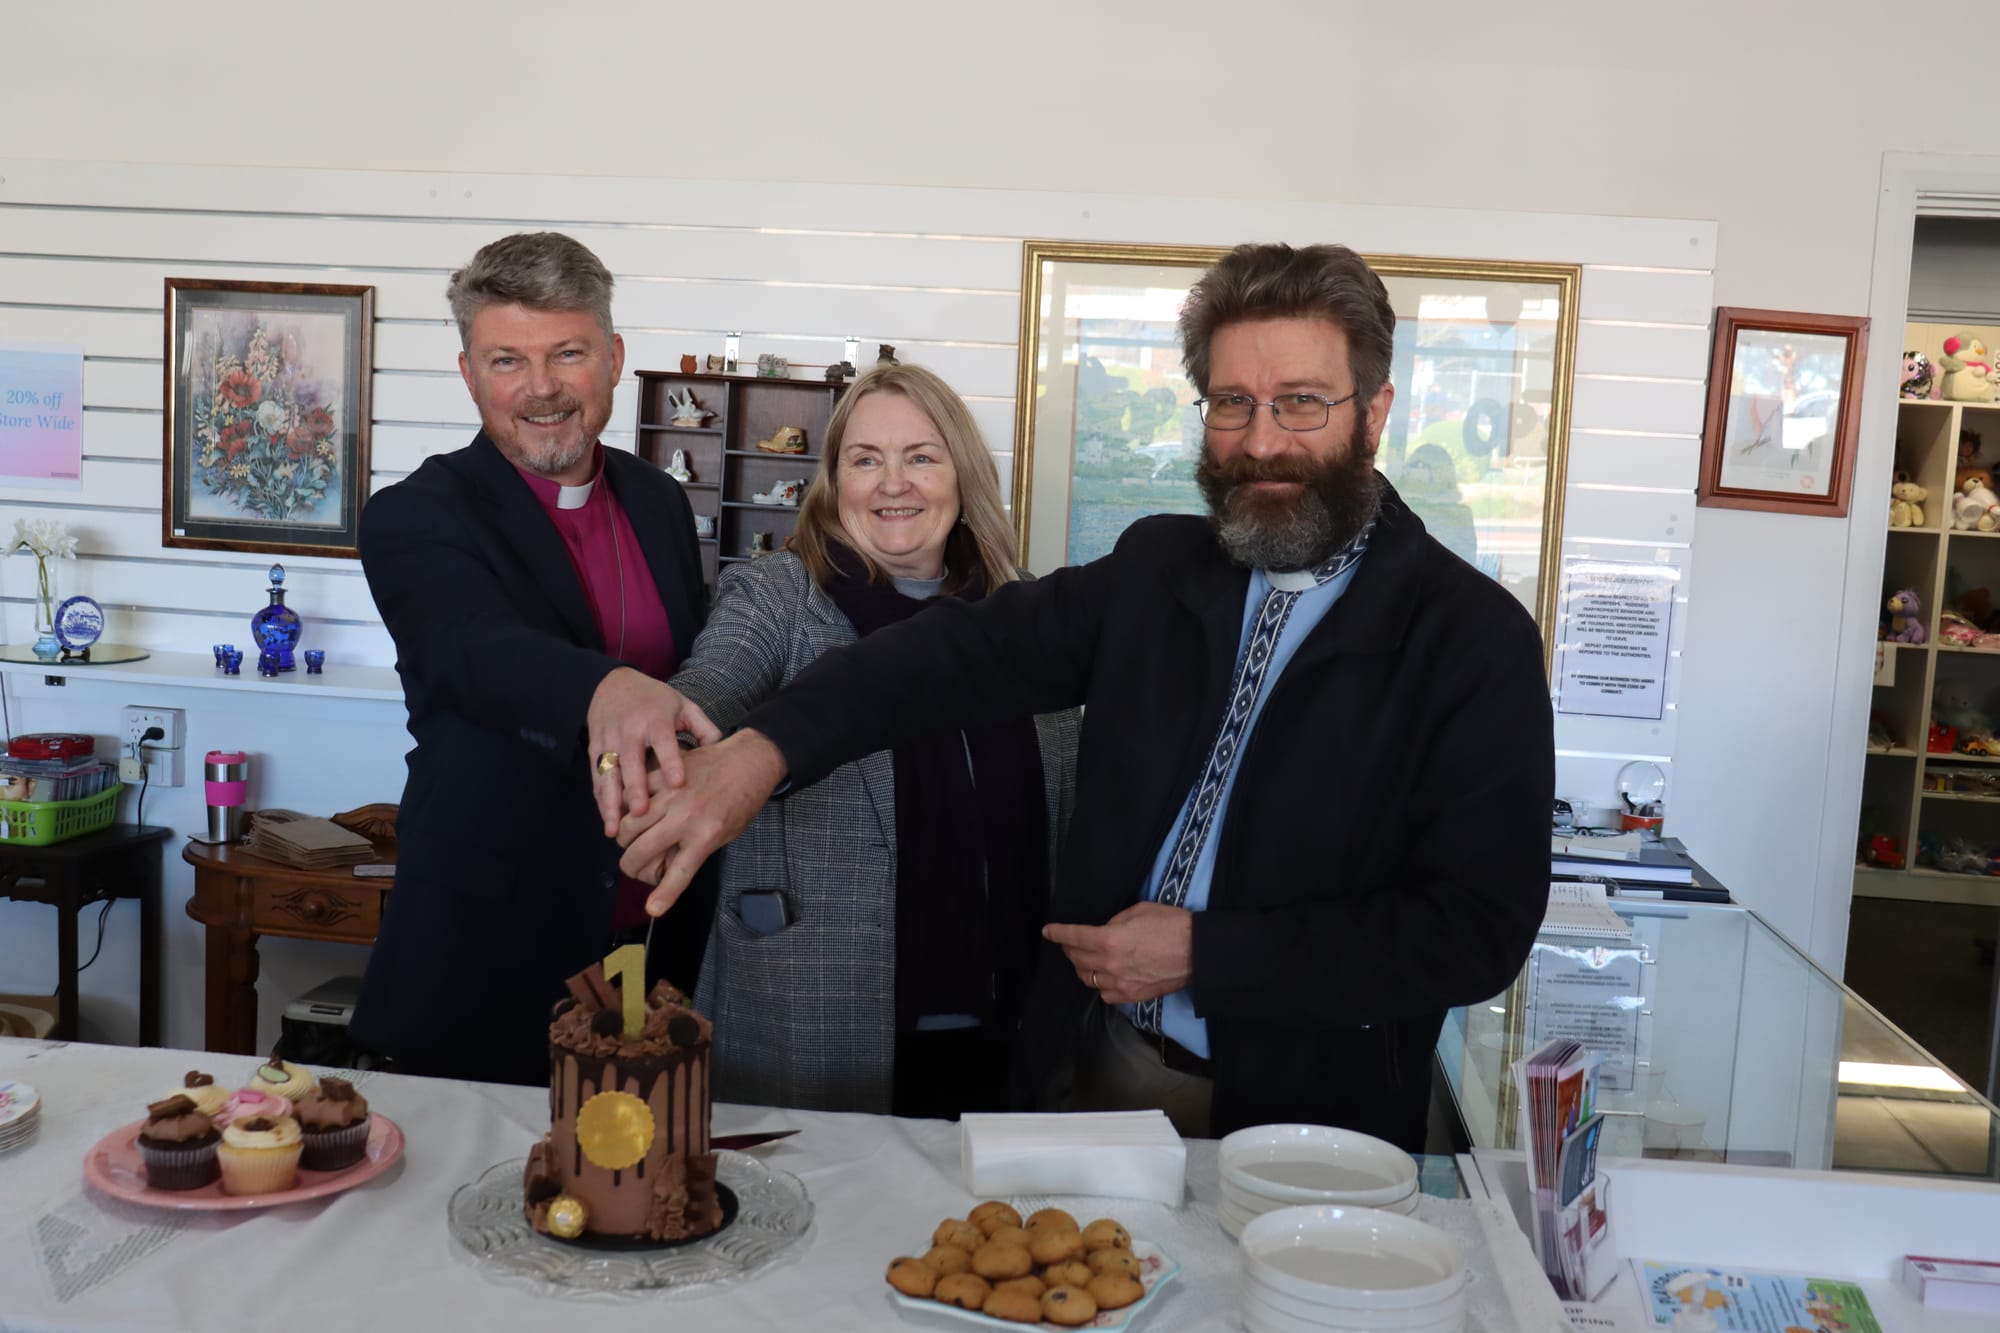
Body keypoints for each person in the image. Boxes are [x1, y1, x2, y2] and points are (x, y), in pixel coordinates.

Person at [608, 242, 1553, 1148]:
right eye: (1232, 402)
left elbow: (1476, 931)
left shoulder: (1472, 641)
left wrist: (1211, 956)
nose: (1261, 439)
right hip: (1097, 1084)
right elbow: (953, 655)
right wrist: (759, 751)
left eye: (1301, 402)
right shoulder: (1159, 569)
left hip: (1309, 1120)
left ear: (1375, 410)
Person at [659, 363, 1077, 1117]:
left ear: (962, 474)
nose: (894, 484)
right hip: (814, 1018)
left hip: (1012, 1030)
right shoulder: (778, 598)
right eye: (865, 459)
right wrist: (661, 722)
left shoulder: (1027, 618)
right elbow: (707, 693)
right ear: (833, 480)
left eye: (921, 456)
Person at [349, 232, 718, 1086]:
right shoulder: (415, 514)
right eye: (508, 359)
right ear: (470, 373)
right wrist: (607, 688)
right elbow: (471, 650)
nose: (542, 387)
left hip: (650, 930)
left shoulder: (660, 500)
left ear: (615, 358)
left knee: (633, 1183)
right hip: (491, 944)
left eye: (568, 354)